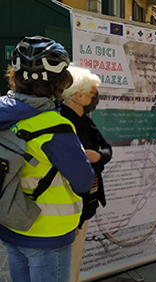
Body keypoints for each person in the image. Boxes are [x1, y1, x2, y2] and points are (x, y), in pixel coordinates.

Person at [0, 36, 95, 282]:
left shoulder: (3, 112)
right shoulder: (55, 127)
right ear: (59, 82)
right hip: (47, 231)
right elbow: (83, 181)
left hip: (10, 222)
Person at [60, 66, 112, 282]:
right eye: (92, 93)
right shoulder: (61, 120)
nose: (95, 97)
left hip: (87, 199)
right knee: (67, 259)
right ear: (78, 94)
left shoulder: (86, 120)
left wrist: (97, 157)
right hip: (69, 202)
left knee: (76, 256)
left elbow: (107, 150)